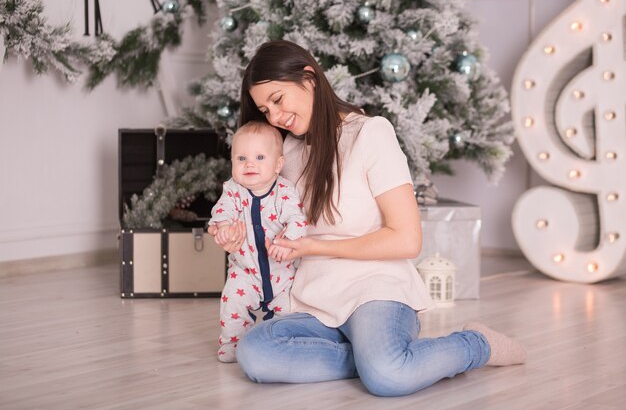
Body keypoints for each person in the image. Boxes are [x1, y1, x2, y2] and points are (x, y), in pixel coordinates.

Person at [211, 40, 527, 396]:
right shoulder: (285, 153)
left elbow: (407, 239)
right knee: (254, 353)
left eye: (278, 99)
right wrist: (236, 238)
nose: (275, 116)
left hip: (376, 290)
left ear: (309, 77)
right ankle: (374, 358)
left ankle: (475, 343)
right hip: (313, 299)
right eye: (265, 110)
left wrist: (315, 245)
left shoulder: (370, 134)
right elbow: (268, 224)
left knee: (389, 377)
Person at [208, 121, 308, 363]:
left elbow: (297, 219)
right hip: (245, 271)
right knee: (232, 302)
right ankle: (232, 342)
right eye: (241, 158)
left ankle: (279, 342)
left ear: (278, 164)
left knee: (288, 311)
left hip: (281, 274)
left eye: (260, 157)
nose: (249, 164)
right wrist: (223, 229)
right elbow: (222, 212)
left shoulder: (283, 191)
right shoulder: (233, 190)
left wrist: (286, 239)